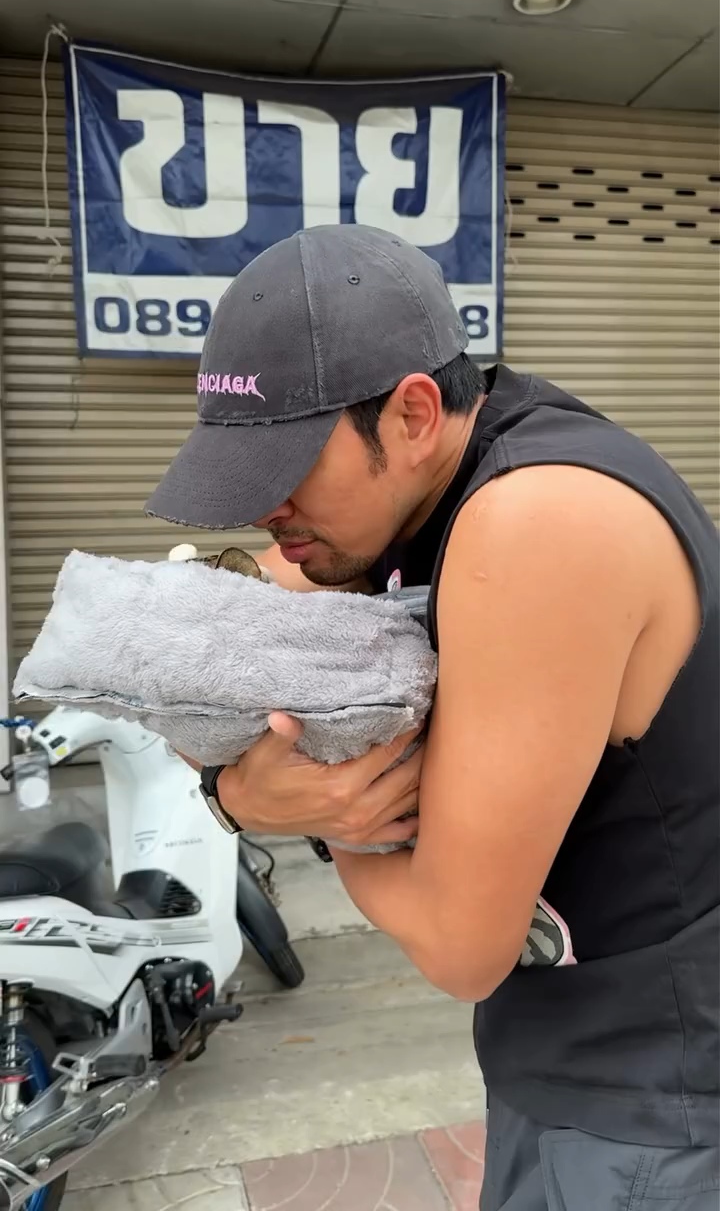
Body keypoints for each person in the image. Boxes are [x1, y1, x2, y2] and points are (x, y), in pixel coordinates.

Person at [146, 224, 719, 1209]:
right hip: (565, 1049)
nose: (264, 509)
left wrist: (305, 810)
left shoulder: (536, 520)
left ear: (413, 412)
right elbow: (228, 610)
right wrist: (232, 784)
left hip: (653, 1094)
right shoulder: (423, 484)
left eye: (286, 466)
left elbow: (460, 944)